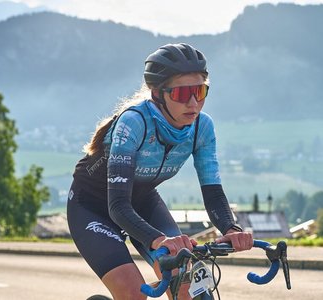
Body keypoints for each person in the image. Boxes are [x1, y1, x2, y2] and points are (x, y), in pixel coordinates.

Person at [67, 43, 253, 300]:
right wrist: (158, 240)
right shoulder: (133, 123)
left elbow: (213, 193)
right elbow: (118, 206)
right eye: (181, 93)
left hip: (143, 204)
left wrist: (230, 229)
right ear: (157, 93)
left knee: (185, 285)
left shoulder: (202, 127)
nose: (193, 102)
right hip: (94, 208)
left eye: (199, 91)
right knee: (133, 293)